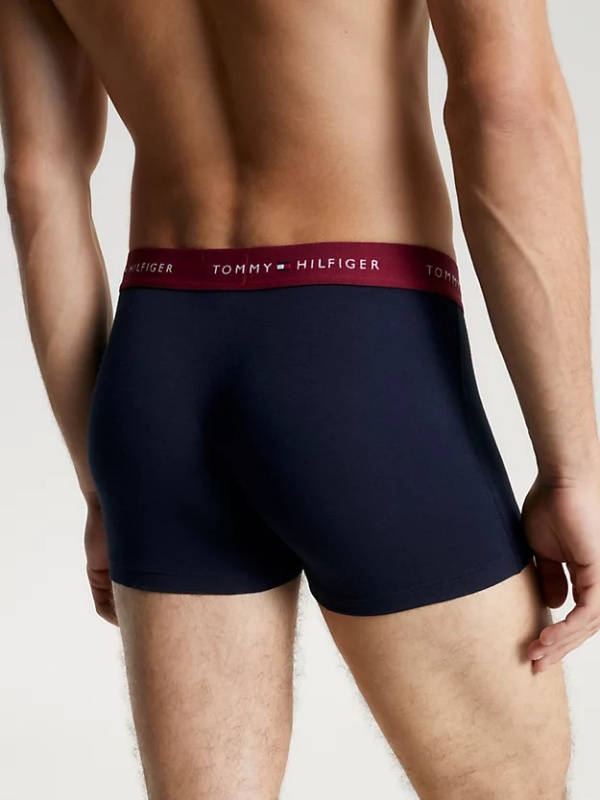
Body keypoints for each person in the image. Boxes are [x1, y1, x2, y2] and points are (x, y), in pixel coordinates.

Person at [1, 0, 598, 797]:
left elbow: (38, 179)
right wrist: (572, 469)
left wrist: (98, 482)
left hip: (158, 368)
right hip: (359, 355)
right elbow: (506, 105)